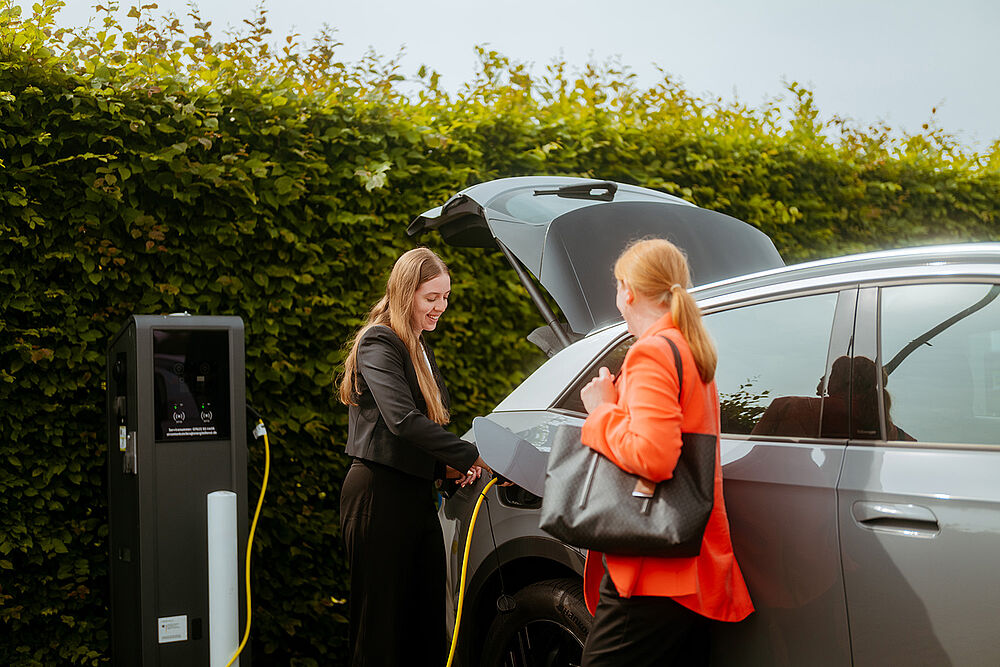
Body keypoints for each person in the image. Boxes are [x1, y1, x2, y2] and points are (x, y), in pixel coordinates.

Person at [578, 239, 754, 666]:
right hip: (687, 557)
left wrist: (601, 410)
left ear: (628, 290)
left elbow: (654, 456)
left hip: (651, 569)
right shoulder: (687, 349)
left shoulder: (652, 353)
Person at [338, 247, 491, 666]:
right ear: (406, 293)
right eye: (432, 298)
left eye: (445, 297)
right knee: (380, 638)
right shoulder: (379, 341)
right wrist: (474, 455)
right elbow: (402, 420)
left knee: (425, 631)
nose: (441, 307)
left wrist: (445, 467)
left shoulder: (419, 346)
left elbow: (419, 434)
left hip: (415, 498)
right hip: (377, 499)